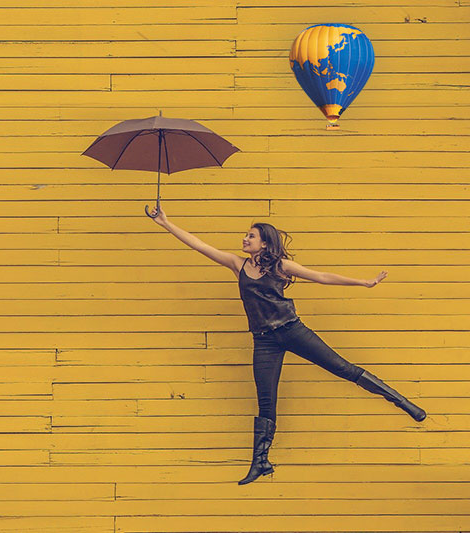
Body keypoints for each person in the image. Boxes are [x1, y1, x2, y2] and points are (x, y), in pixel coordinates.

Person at [145, 205, 426, 485]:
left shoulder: (281, 266)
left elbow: (321, 276)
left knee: (343, 368)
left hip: (292, 330)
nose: (245, 239)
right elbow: (199, 245)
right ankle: (261, 462)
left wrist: (363, 282)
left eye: (250, 236)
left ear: (264, 243)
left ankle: (402, 402)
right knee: (266, 401)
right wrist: (165, 223)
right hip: (264, 341)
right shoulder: (237, 264)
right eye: (246, 235)